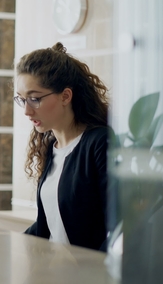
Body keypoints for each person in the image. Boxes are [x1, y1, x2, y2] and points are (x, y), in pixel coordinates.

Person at [15, 42, 109, 251]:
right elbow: (46, 225)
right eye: (22, 100)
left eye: (35, 99)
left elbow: (118, 228)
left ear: (66, 96)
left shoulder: (100, 143)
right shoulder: (52, 148)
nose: (27, 111)